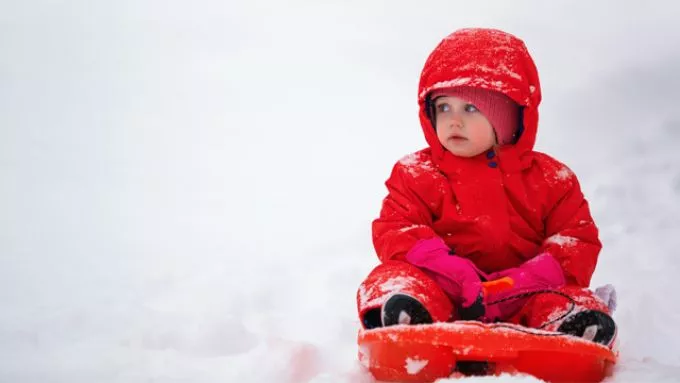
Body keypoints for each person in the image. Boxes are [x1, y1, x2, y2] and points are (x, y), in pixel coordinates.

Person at [356, 28, 617, 347]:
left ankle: (572, 327)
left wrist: (526, 280)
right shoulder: (416, 173)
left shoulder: (552, 180)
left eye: (470, 108)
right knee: (392, 278)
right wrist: (448, 269)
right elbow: (398, 229)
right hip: (445, 291)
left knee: (567, 297)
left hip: (528, 295)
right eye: (443, 107)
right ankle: (404, 318)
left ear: (509, 116)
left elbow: (575, 239)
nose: (454, 121)